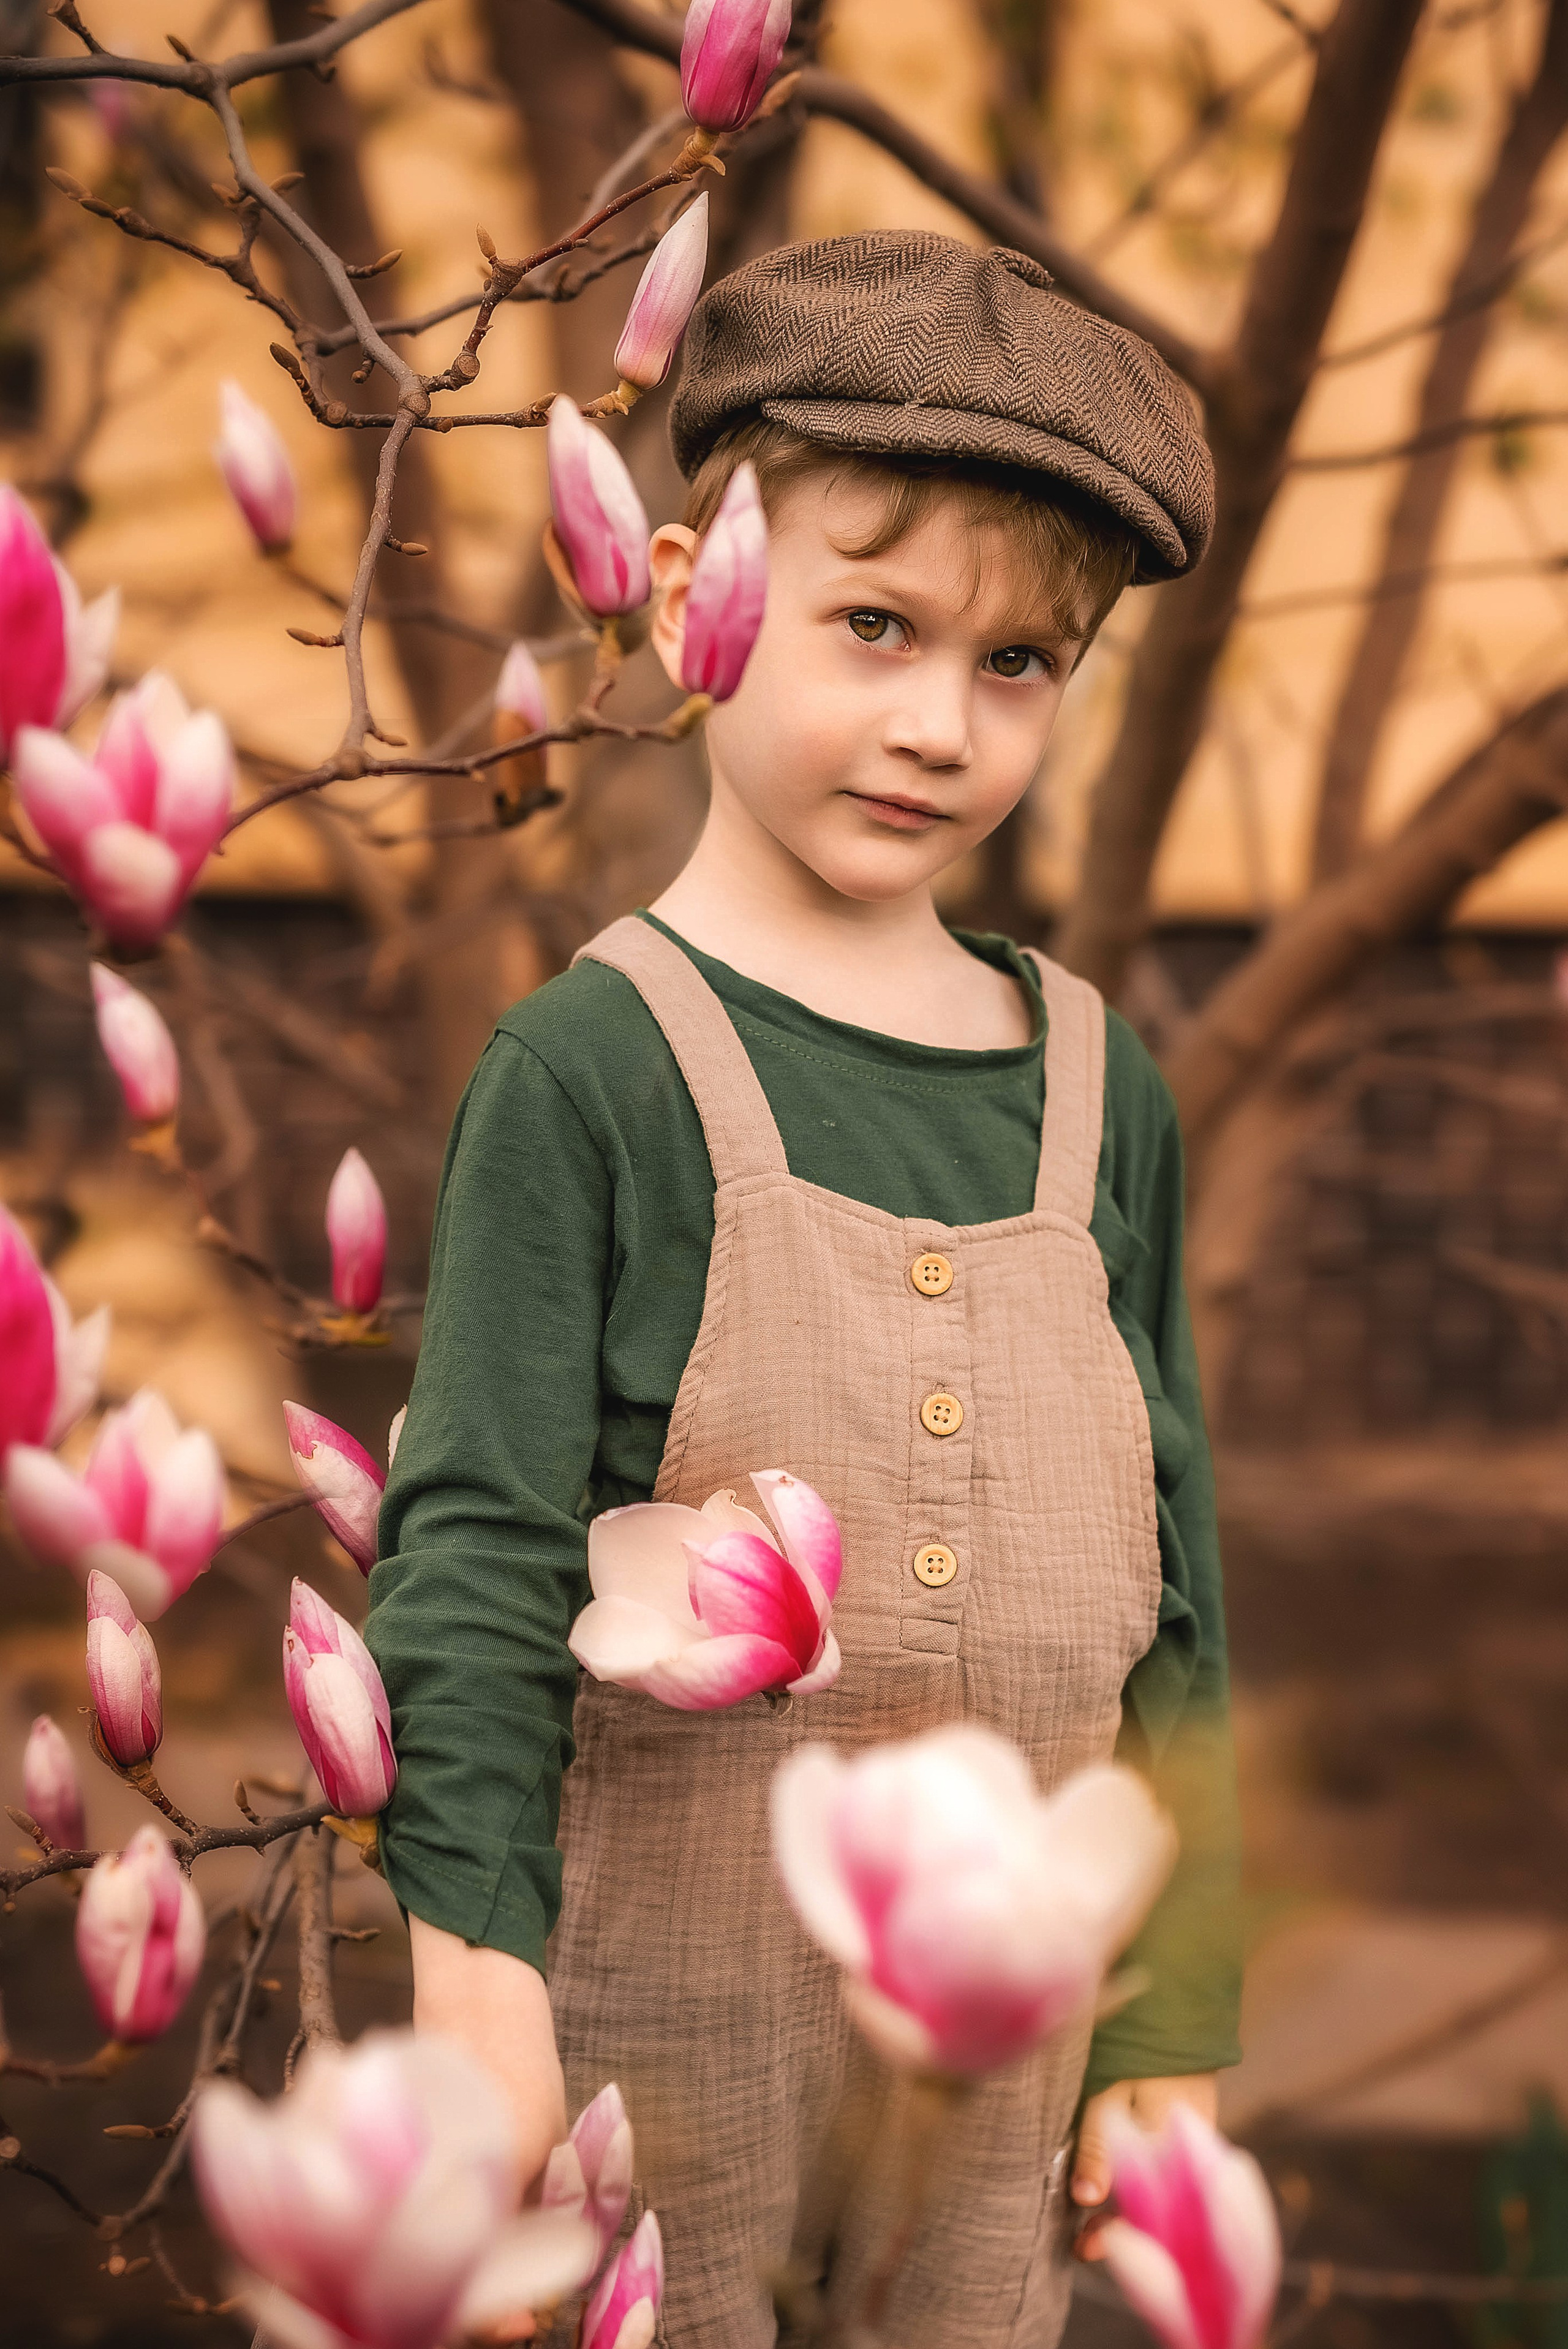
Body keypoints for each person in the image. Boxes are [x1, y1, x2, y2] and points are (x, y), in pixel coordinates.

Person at [364, 229, 1242, 2348]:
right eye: (875, 623)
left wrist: (1171, 2017)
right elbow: (477, 1550)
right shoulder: (596, 1070)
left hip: (981, 2083)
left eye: (1018, 662)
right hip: (639, 2057)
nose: (938, 721)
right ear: (693, 601)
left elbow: (1178, 1586)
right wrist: (470, 1982)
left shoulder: (1099, 1091)